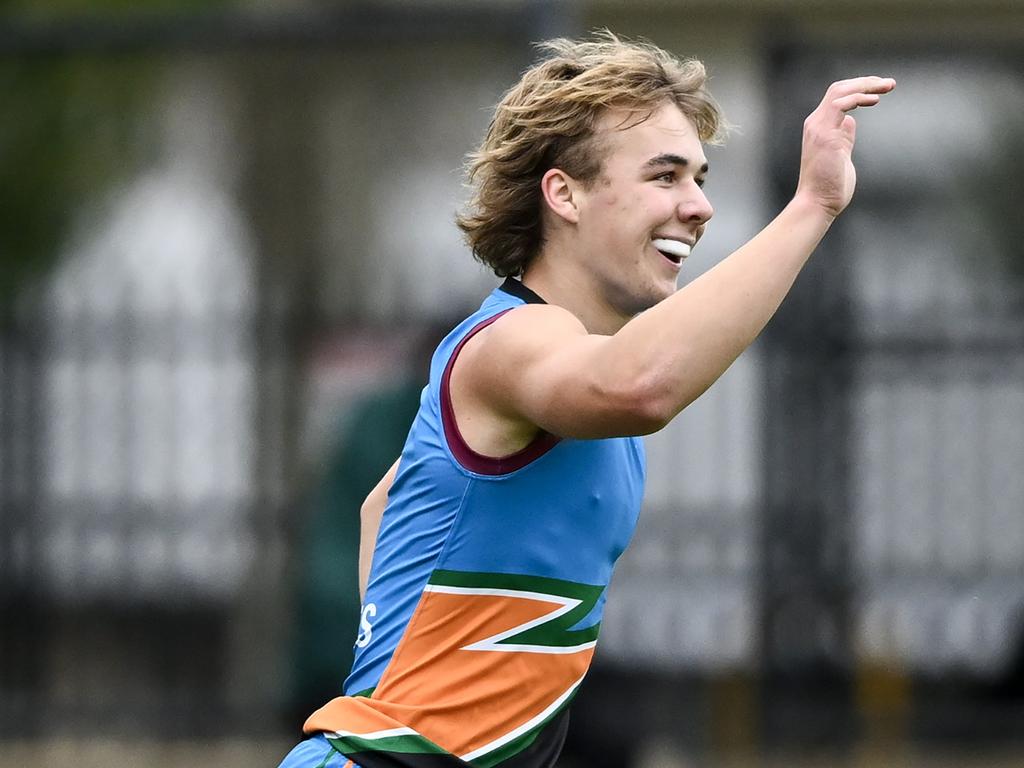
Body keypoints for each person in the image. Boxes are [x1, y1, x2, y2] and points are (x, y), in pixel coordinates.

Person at [278, 31, 895, 768]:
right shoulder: (514, 343)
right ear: (563, 193)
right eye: (665, 176)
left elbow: (383, 504)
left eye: (700, 179)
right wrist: (810, 208)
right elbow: (642, 386)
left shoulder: (575, 368)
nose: (698, 207)